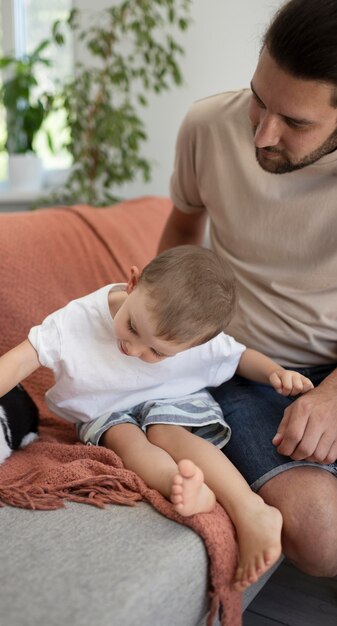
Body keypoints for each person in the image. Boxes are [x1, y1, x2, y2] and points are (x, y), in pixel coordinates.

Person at [0, 245, 314, 589]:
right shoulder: (76, 320)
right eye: (132, 328)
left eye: (157, 353)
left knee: (171, 432)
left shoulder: (197, 337)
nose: (133, 349)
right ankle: (186, 487)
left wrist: (274, 373)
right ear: (133, 282)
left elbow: (237, 356)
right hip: (106, 410)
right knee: (127, 442)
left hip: (172, 399)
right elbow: (18, 361)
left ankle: (251, 510)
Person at [158, 0, 337, 578]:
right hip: (241, 369)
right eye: (258, 98)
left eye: (297, 122)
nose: (262, 133)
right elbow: (184, 230)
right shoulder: (207, 125)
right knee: (319, 535)